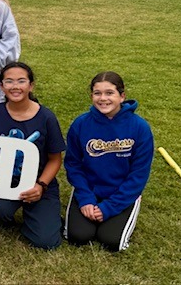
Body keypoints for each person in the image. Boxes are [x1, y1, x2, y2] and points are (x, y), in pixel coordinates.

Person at [64, 71, 153, 252]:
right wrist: (86, 199)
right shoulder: (80, 124)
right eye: (97, 93)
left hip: (122, 193)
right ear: (91, 96)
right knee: (78, 236)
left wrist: (109, 208)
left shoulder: (140, 127)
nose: (103, 98)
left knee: (111, 241)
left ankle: (120, 211)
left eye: (109, 93)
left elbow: (139, 174)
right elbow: (73, 164)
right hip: (89, 189)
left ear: (122, 96)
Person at [0, 62, 65, 250]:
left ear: (31, 85)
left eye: (21, 81)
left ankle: (43, 217)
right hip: (7, 181)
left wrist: (41, 185)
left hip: (38, 183)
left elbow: (55, 159)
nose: (15, 86)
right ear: (1, 86)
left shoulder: (46, 117)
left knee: (45, 242)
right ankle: (5, 214)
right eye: (9, 81)